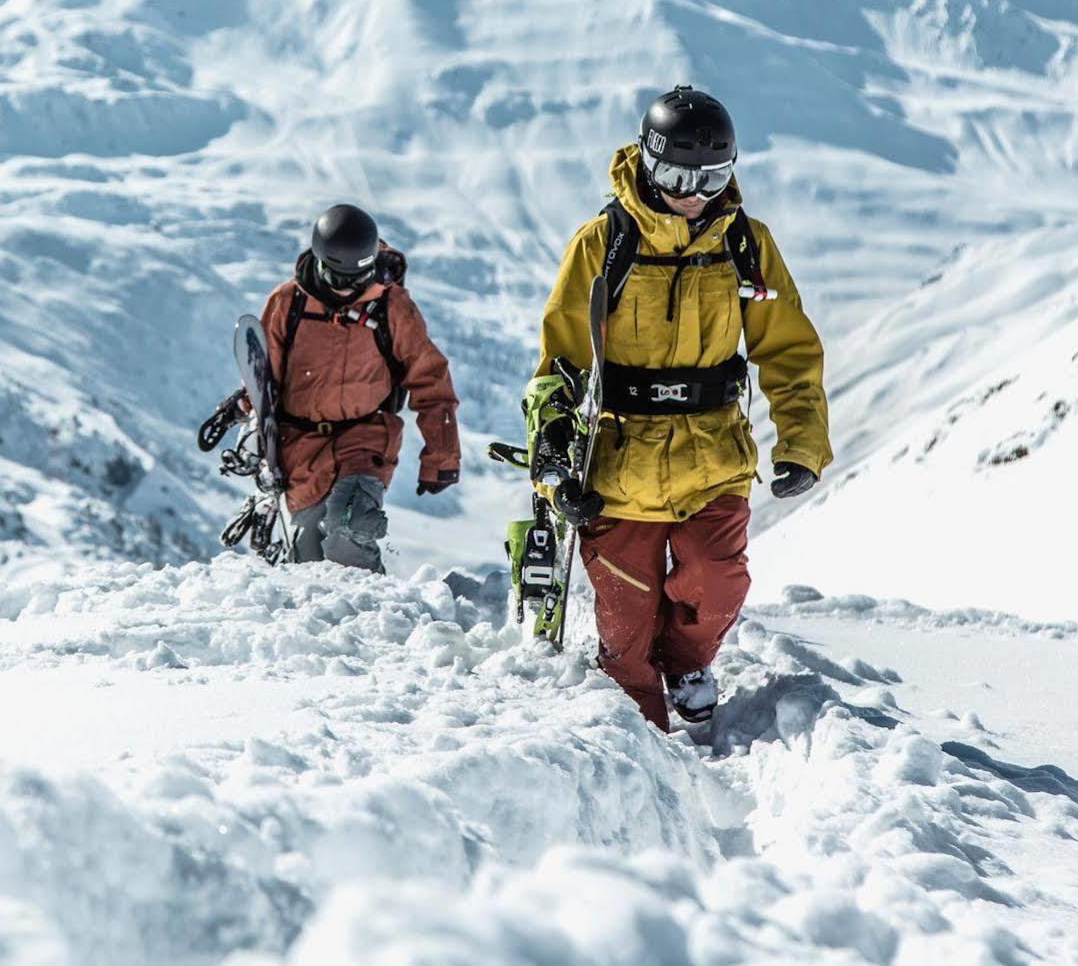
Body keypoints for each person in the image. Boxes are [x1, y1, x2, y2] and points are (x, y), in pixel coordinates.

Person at [529, 86, 830, 729]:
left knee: (718, 584)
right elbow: (559, 362)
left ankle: (687, 662)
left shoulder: (745, 244)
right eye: (675, 175)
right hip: (617, 466)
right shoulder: (603, 244)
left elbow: (789, 349)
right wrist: (553, 459)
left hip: (713, 455)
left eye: (713, 176)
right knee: (624, 630)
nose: (693, 193)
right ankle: (638, 750)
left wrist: (802, 443)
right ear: (646, 162)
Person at [249, 204, 460, 570]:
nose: (349, 290)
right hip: (301, 444)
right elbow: (265, 379)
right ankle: (325, 624)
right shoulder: (289, 302)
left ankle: (373, 612)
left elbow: (430, 377)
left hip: (366, 435)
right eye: (339, 280)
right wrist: (248, 414)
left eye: (358, 280)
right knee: (310, 557)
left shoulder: (390, 305)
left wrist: (441, 456)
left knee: (351, 531)